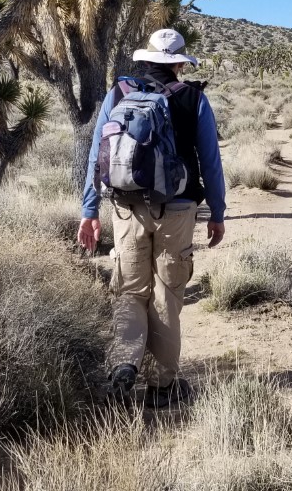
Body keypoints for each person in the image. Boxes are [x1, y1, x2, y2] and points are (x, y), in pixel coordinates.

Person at [78, 28, 226, 408]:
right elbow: (210, 162)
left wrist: (89, 211)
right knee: (166, 294)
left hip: (125, 208)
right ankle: (162, 387)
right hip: (176, 210)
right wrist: (218, 213)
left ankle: (123, 365)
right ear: (178, 62)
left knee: (129, 291)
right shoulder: (194, 99)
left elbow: (98, 155)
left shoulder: (118, 94)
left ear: (145, 60)